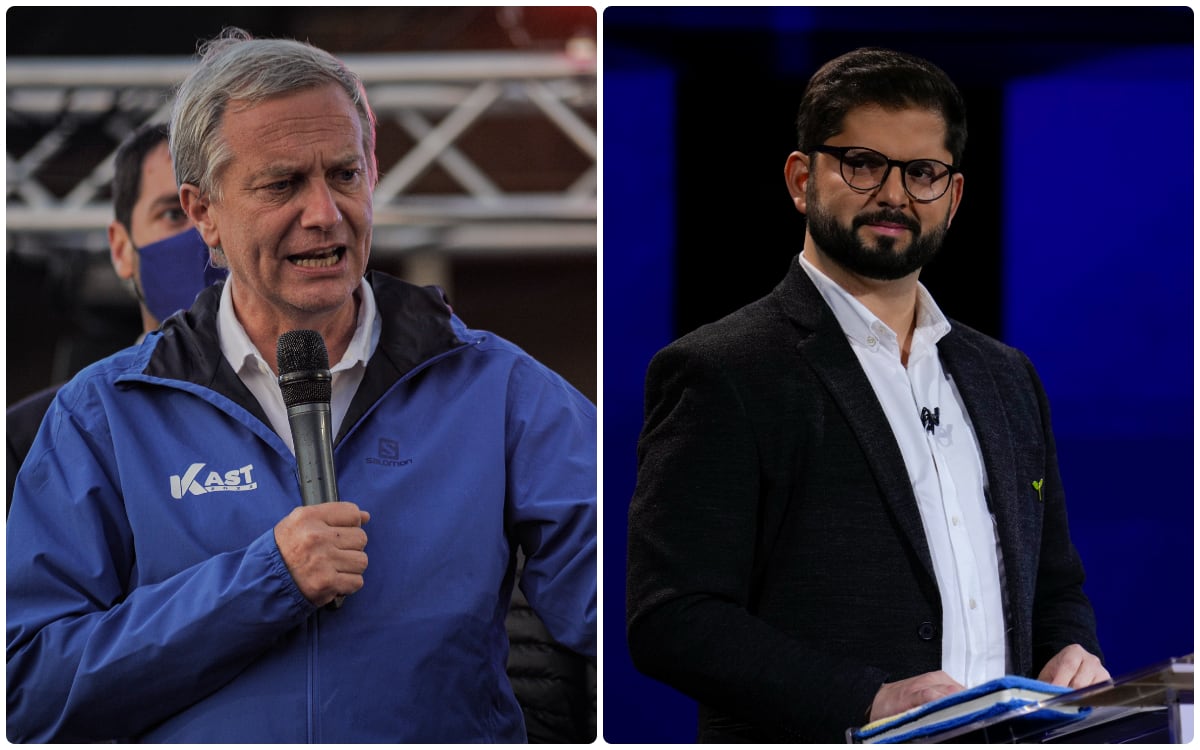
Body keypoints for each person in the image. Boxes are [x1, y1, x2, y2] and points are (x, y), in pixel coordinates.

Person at [7, 28, 596, 743]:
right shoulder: (102, 415)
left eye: (344, 175)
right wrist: (264, 581)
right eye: (282, 183)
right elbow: (26, 688)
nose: (324, 213)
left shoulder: (498, 389)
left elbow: (639, 609)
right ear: (203, 213)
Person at [624, 47, 1107, 743]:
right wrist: (870, 700)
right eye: (862, 164)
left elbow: (1055, 586)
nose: (894, 194)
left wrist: (1070, 650)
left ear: (955, 194)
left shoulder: (1007, 378)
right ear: (801, 179)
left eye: (923, 173)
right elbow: (672, 617)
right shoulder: (720, 369)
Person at [5, 122, 219, 512]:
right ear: (121, 249)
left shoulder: (321, 408)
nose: (202, 235)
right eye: (174, 213)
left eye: (215, 208)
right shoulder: (31, 440)